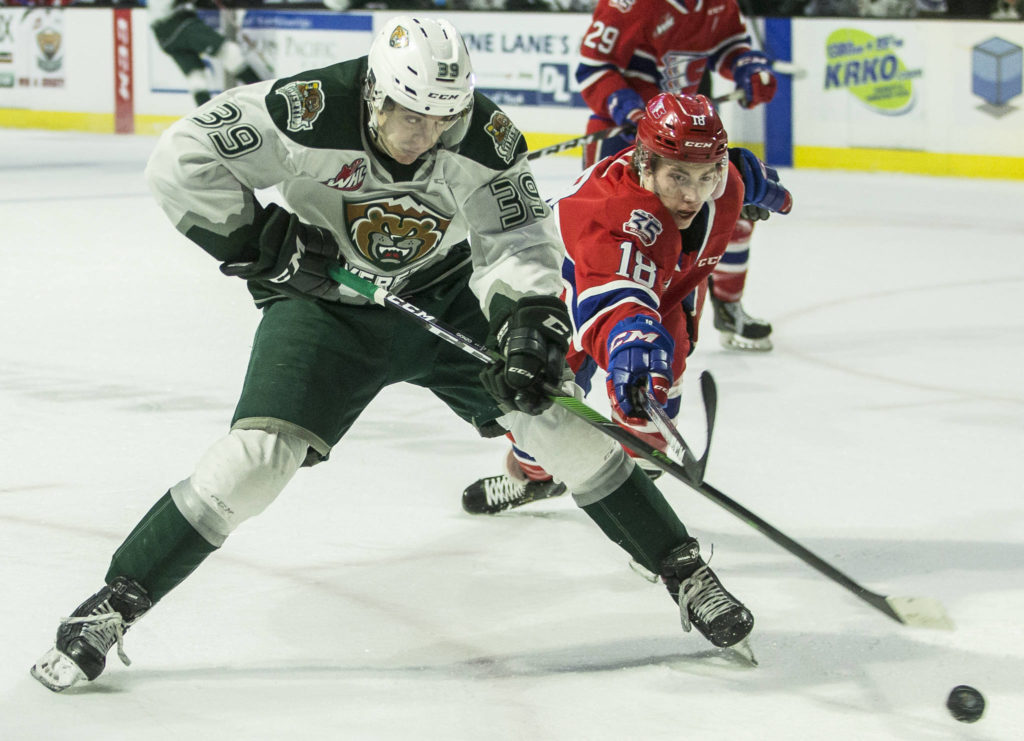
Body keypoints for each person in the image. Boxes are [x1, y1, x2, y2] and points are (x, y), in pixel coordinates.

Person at [30, 16, 757, 693]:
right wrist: (264, 245)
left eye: (443, 118)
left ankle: (684, 569)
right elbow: (181, 157)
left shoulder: (483, 136)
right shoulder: (309, 107)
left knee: (556, 422)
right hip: (323, 309)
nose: (426, 134)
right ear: (376, 91)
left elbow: (518, 242)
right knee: (257, 458)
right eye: (412, 117)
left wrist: (529, 327)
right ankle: (118, 599)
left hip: (442, 295)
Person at [462, 93, 791, 518]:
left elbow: (740, 170)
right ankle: (534, 477)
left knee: (652, 406)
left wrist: (762, 188)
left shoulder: (727, 176)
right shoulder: (612, 214)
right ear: (644, 162)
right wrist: (631, 340)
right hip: (568, 292)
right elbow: (616, 296)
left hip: (663, 296)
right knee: (541, 410)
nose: (693, 195)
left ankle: (641, 501)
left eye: (706, 176)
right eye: (678, 177)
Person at [575, 0, 779, 353]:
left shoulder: (718, 4)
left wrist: (747, 66)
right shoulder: (629, 5)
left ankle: (727, 310)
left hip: (690, 146)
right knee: (627, 241)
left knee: (734, 214)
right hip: (626, 144)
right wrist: (628, 108)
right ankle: (608, 324)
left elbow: (729, 44)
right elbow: (593, 68)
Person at [148, 0, 262, 108]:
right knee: (229, 52)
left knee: (196, 76)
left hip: (163, 35)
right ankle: (263, 95)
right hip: (178, 23)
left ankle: (206, 118)